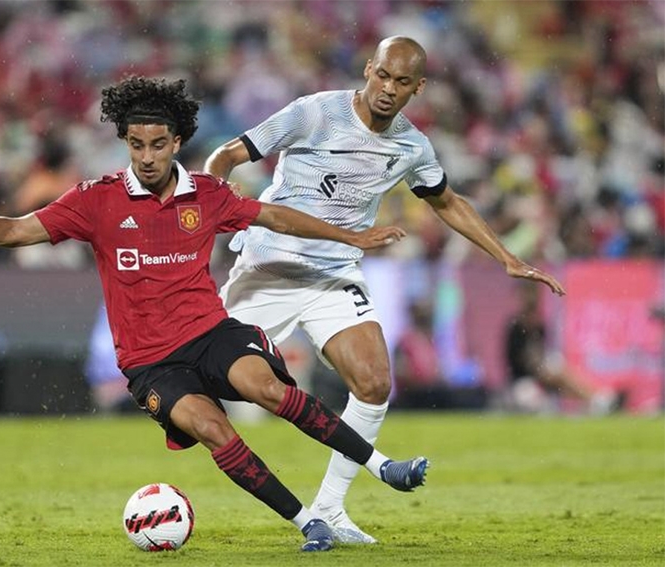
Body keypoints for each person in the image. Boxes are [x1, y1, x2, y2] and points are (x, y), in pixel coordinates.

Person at [0, 76, 427, 553]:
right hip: (151, 362)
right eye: (135, 145)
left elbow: (276, 216)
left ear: (176, 143)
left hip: (211, 333)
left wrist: (349, 235)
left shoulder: (209, 194)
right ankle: (308, 520)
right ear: (124, 143)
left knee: (268, 390)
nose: (146, 156)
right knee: (213, 427)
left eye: (157, 144)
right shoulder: (96, 201)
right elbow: (14, 231)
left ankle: (383, 467)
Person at [204, 36, 567, 543]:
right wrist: (221, 189)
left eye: (401, 83)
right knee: (199, 380)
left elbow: (446, 200)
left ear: (417, 88)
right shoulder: (315, 112)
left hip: (333, 275)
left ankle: (329, 510)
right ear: (369, 69)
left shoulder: (411, 146)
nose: (387, 89)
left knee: (374, 383)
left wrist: (507, 258)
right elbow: (226, 154)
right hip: (269, 266)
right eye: (381, 76)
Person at [505, 282, 617, 414]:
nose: (531, 299)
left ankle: (595, 399)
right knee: (554, 376)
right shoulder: (516, 327)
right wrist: (539, 370)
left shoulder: (540, 325)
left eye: (533, 294)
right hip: (523, 384)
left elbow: (540, 357)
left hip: (540, 380)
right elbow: (517, 363)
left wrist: (542, 370)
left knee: (558, 369)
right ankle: (596, 398)